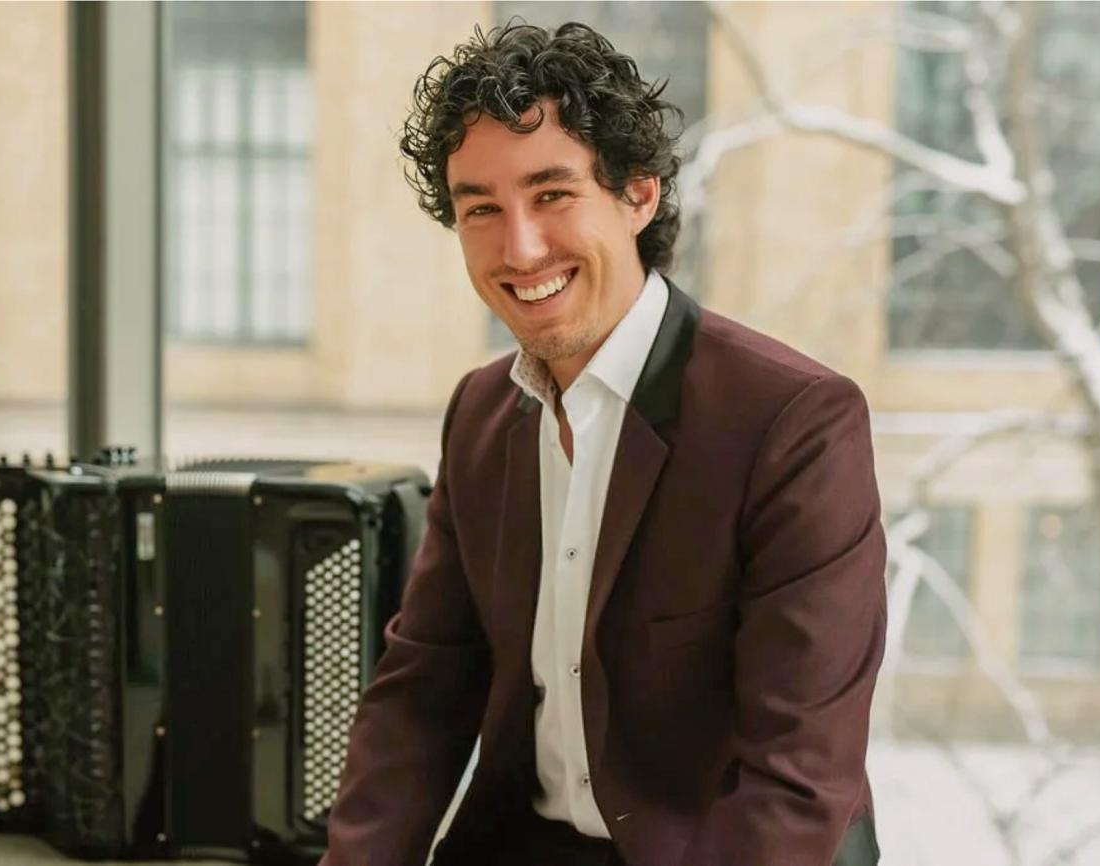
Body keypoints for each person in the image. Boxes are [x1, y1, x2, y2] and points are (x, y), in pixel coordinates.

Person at [321, 21, 885, 866]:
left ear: (639, 196)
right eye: (482, 209)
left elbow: (796, 779)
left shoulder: (794, 424)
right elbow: (423, 695)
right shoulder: (479, 415)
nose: (520, 248)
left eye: (552, 195)